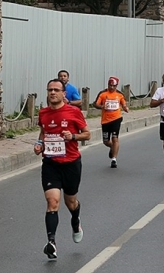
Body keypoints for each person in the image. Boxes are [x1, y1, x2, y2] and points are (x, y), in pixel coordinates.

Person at [34, 79, 91, 259]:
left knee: (71, 202)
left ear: (63, 93)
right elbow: (43, 132)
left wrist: (72, 136)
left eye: (56, 90)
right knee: (53, 202)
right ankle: (51, 242)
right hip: (51, 163)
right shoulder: (43, 113)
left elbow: (87, 134)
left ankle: (75, 221)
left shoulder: (74, 112)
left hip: (71, 163)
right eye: (50, 89)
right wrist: (39, 144)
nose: (52, 93)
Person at [94, 77, 129, 168]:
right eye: (110, 85)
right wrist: (102, 107)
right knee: (105, 141)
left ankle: (114, 159)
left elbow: (123, 103)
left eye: (114, 86)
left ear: (117, 85)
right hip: (105, 120)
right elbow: (96, 104)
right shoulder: (102, 94)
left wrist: (125, 108)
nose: (112, 87)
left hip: (116, 119)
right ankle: (112, 147)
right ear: (108, 84)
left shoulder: (120, 94)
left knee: (115, 138)